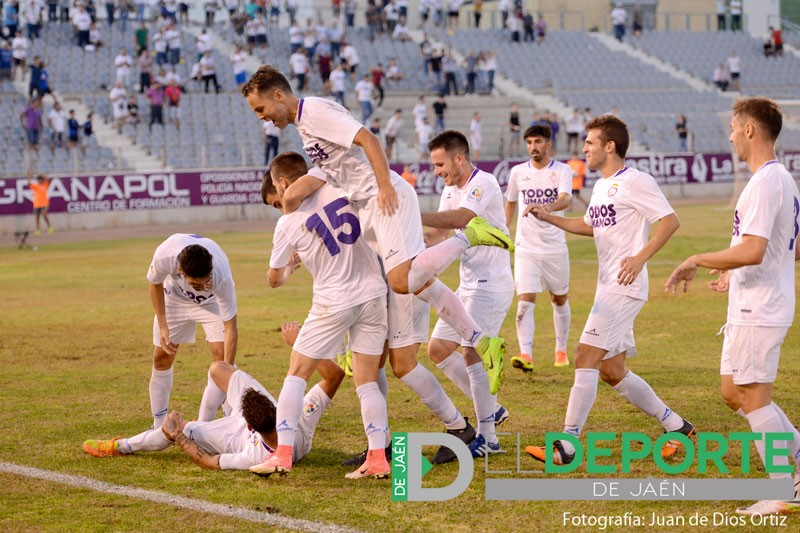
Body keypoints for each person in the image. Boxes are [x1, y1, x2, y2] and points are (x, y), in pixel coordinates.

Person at [242, 67, 511, 447]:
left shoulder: (315, 112)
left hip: (383, 216)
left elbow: (367, 137)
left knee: (403, 288)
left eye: (260, 108)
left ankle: (471, 239)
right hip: (371, 232)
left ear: (279, 96)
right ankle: (390, 440)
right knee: (395, 333)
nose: (262, 117)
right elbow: (330, 170)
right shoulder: (308, 134)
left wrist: (384, 185)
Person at [525, 115, 695, 465]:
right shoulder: (601, 186)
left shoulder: (636, 181)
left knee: (584, 357)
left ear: (610, 146)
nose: (584, 147)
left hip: (624, 287)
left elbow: (670, 220)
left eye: (590, 142)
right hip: (609, 287)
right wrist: (548, 217)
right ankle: (676, 426)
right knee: (612, 370)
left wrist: (640, 257)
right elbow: (590, 226)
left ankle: (567, 445)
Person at [665, 97, 800, 516]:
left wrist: (697, 259)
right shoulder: (781, 178)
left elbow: (755, 249)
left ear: (749, 130)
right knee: (733, 391)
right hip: (754, 300)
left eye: (732, 127)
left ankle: (784, 492)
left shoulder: (766, 182)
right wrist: (733, 271)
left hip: (761, 307)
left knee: (752, 395)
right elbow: (786, 249)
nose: (728, 136)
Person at [251, 152, 391, 479]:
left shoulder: (286, 223)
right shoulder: (338, 186)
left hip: (333, 300)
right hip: (373, 293)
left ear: (283, 183)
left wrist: (290, 269)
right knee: (367, 382)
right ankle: (378, 459)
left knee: (297, 373)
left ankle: (282, 454)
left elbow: (273, 279)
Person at [82, 324, 344, 472]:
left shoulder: (252, 457)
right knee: (218, 368)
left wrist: (180, 436)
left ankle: (121, 446)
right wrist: (300, 342)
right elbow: (335, 376)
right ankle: (205, 417)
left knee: (173, 429)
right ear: (277, 408)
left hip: (231, 433)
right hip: (262, 419)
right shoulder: (299, 422)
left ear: (250, 425)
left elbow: (208, 461)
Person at [423, 130, 515, 459]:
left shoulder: (484, 183)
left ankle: (488, 436)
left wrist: (412, 214)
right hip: (469, 283)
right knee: (437, 349)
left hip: (492, 283)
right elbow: (437, 233)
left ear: (459, 158)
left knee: (470, 352)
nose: (437, 171)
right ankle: (493, 409)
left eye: (440, 164)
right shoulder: (450, 190)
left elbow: (463, 218)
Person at [139, 234, 240, 435]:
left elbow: (231, 328)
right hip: (174, 300)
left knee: (221, 359)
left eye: (206, 282)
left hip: (211, 305)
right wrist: (163, 325)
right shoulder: (165, 255)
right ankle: (158, 424)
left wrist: (226, 370)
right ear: (180, 271)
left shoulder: (221, 276)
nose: (202, 288)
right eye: (196, 285)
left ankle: (229, 421)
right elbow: (154, 283)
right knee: (161, 357)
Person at [505, 125, 573, 372]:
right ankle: (526, 354)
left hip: (555, 247)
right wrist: (504, 230)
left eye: (538, 142)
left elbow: (567, 198)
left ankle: (561, 349)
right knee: (525, 300)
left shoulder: (562, 170)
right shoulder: (517, 172)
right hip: (526, 247)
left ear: (549, 144)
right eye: (529, 142)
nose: (533, 147)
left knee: (559, 298)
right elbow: (511, 201)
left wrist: (549, 208)